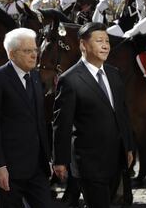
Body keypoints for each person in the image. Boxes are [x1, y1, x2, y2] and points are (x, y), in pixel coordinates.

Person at [52, 22, 133, 208]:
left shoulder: (114, 74)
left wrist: (128, 146)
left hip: (115, 160)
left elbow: (122, 113)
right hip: (88, 162)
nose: (105, 45)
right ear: (83, 45)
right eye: (99, 41)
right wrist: (60, 160)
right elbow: (61, 123)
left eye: (107, 41)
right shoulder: (69, 80)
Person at [0, 28, 52, 208]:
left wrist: (46, 158)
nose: (34, 55)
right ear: (11, 54)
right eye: (27, 51)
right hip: (8, 170)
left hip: (37, 167)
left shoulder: (35, 76)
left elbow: (39, 121)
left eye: (35, 50)